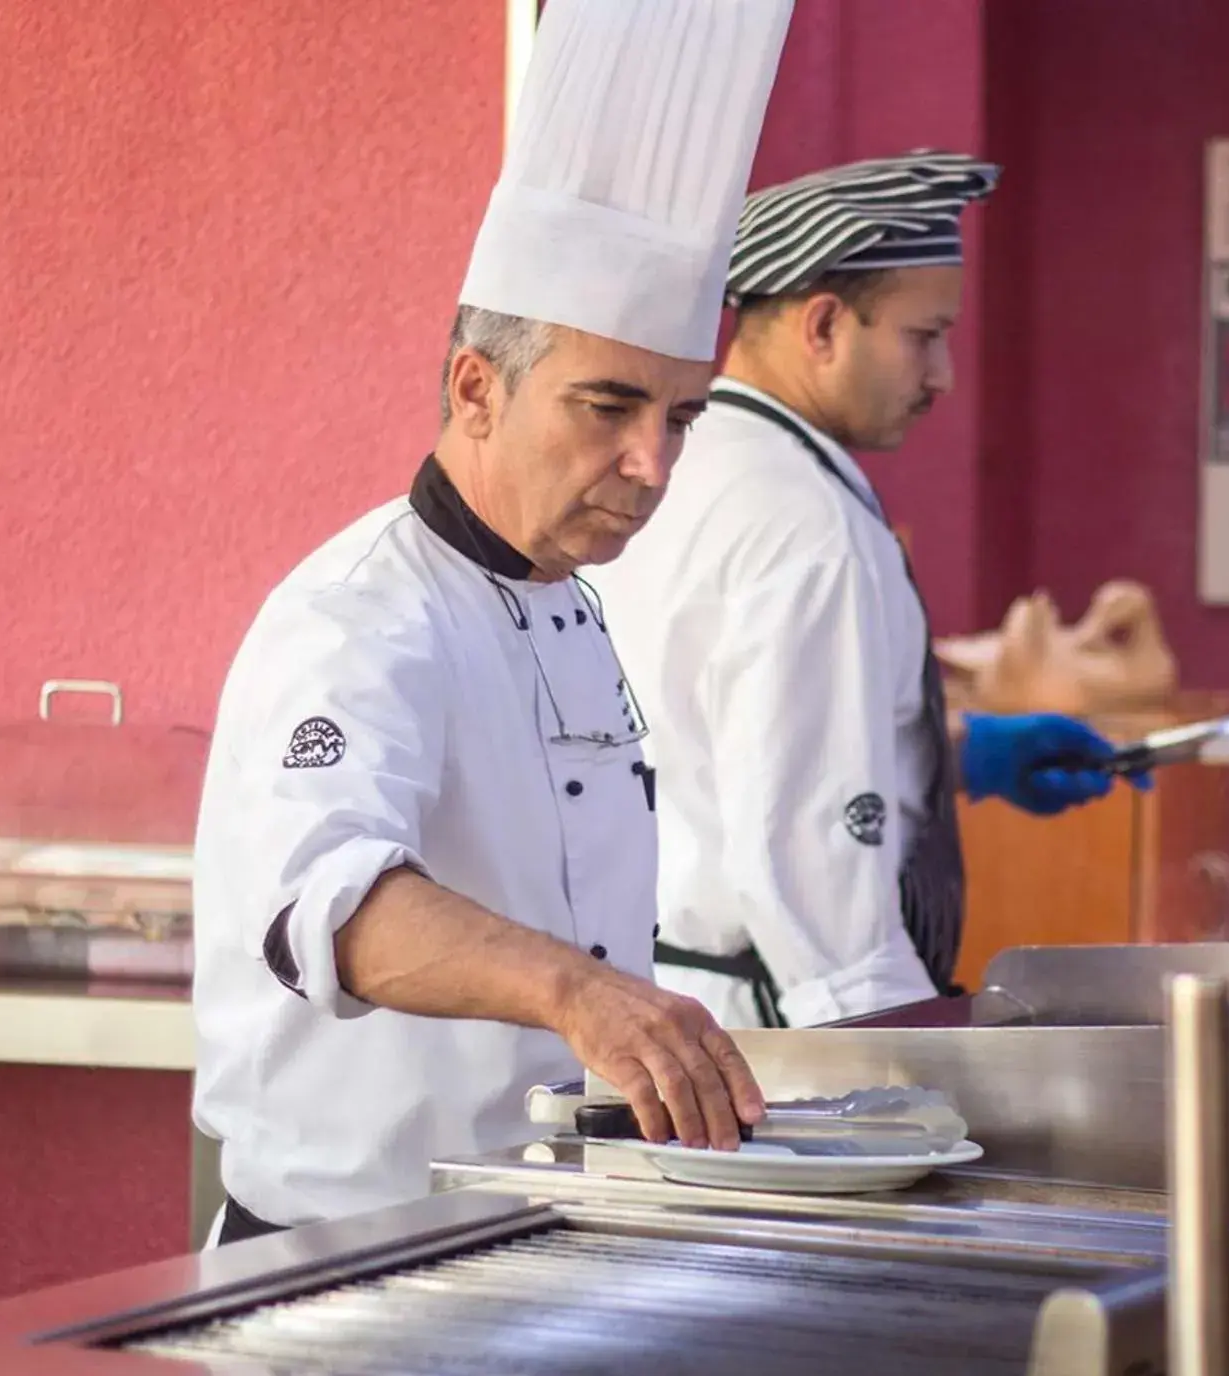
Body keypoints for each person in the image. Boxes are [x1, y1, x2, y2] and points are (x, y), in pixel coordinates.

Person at [189, 0, 795, 1241]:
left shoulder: (570, 602)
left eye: (678, 417)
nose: (651, 463)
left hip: (538, 1232)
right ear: (476, 388)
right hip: (342, 1256)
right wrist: (580, 996)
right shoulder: (358, 616)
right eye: (607, 407)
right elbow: (330, 907)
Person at [590, 151, 1142, 1034]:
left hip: (669, 990)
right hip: (775, 1033)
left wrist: (951, 753)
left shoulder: (689, 464)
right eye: (923, 337)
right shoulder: (808, 527)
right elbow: (812, 851)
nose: (943, 377)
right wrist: (898, 1064)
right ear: (822, 327)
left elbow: (732, 743)